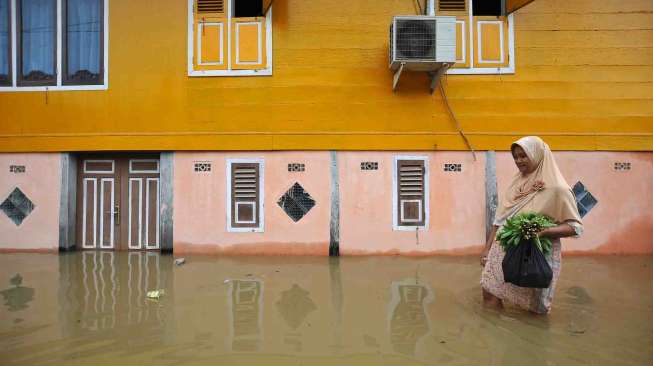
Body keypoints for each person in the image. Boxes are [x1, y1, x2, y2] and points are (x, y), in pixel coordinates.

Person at [480, 136, 583, 314]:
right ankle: (495, 337)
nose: (518, 161)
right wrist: (487, 249)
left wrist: (543, 232)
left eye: (523, 156)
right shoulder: (516, 182)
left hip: (536, 253)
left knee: (534, 309)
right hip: (504, 250)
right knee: (489, 293)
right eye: (515, 157)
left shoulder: (558, 189)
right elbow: (501, 218)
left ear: (537, 155)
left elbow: (575, 227)